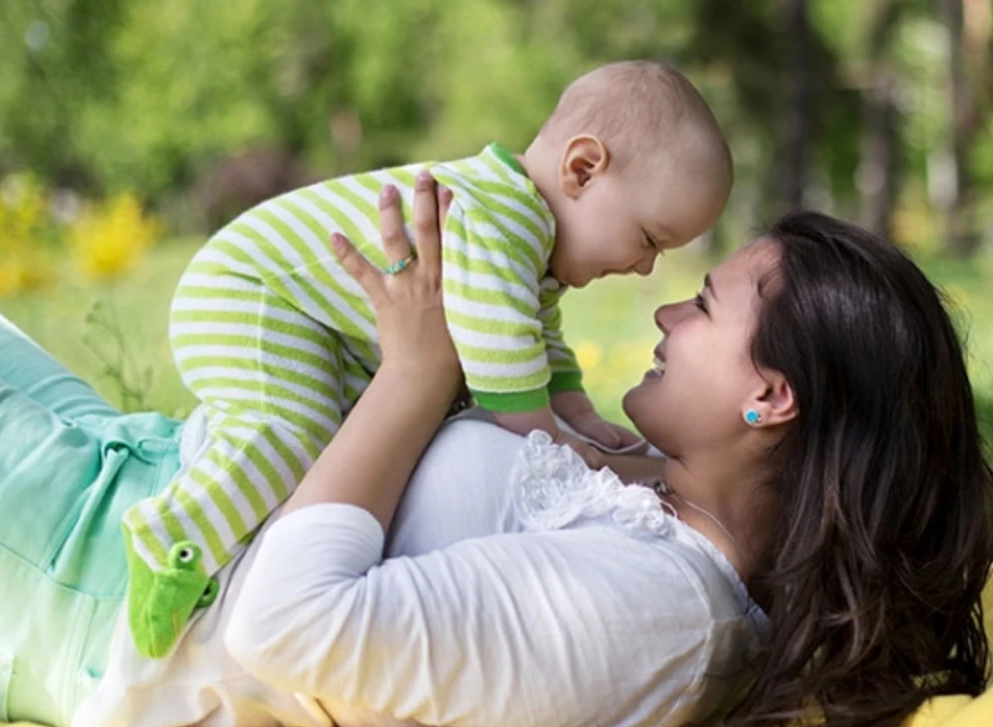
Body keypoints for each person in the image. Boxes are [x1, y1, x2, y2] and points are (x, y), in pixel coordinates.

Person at [0, 176, 993, 727]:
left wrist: (417, 374)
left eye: (706, 303)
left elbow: (280, 625)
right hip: (118, 477)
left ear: (770, 396)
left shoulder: (660, 618)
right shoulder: (659, 504)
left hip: (84, 575)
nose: (666, 315)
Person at [123, 60, 735, 660]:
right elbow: (503, 357)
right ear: (582, 170)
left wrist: (576, 409)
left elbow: (535, 337)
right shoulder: (500, 219)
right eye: (650, 238)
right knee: (295, 429)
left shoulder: (528, 235)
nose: (647, 267)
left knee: (328, 442)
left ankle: (218, 534)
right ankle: (175, 537)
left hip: (297, 310)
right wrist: (554, 444)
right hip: (251, 293)